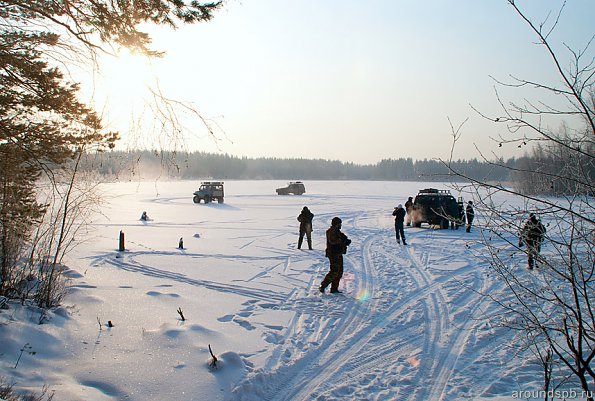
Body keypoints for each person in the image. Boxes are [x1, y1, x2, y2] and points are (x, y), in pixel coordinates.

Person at [320, 217, 351, 294]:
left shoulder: (337, 231)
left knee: (339, 272)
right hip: (333, 254)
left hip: (338, 253)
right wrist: (342, 241)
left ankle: (334, 288)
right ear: (337, 224)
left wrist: (346, 240)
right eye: (340, 224)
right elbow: (332, 241)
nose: (341, 225)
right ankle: (323, 286)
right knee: (334, 271)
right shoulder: (331, 231)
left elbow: (342, 238)